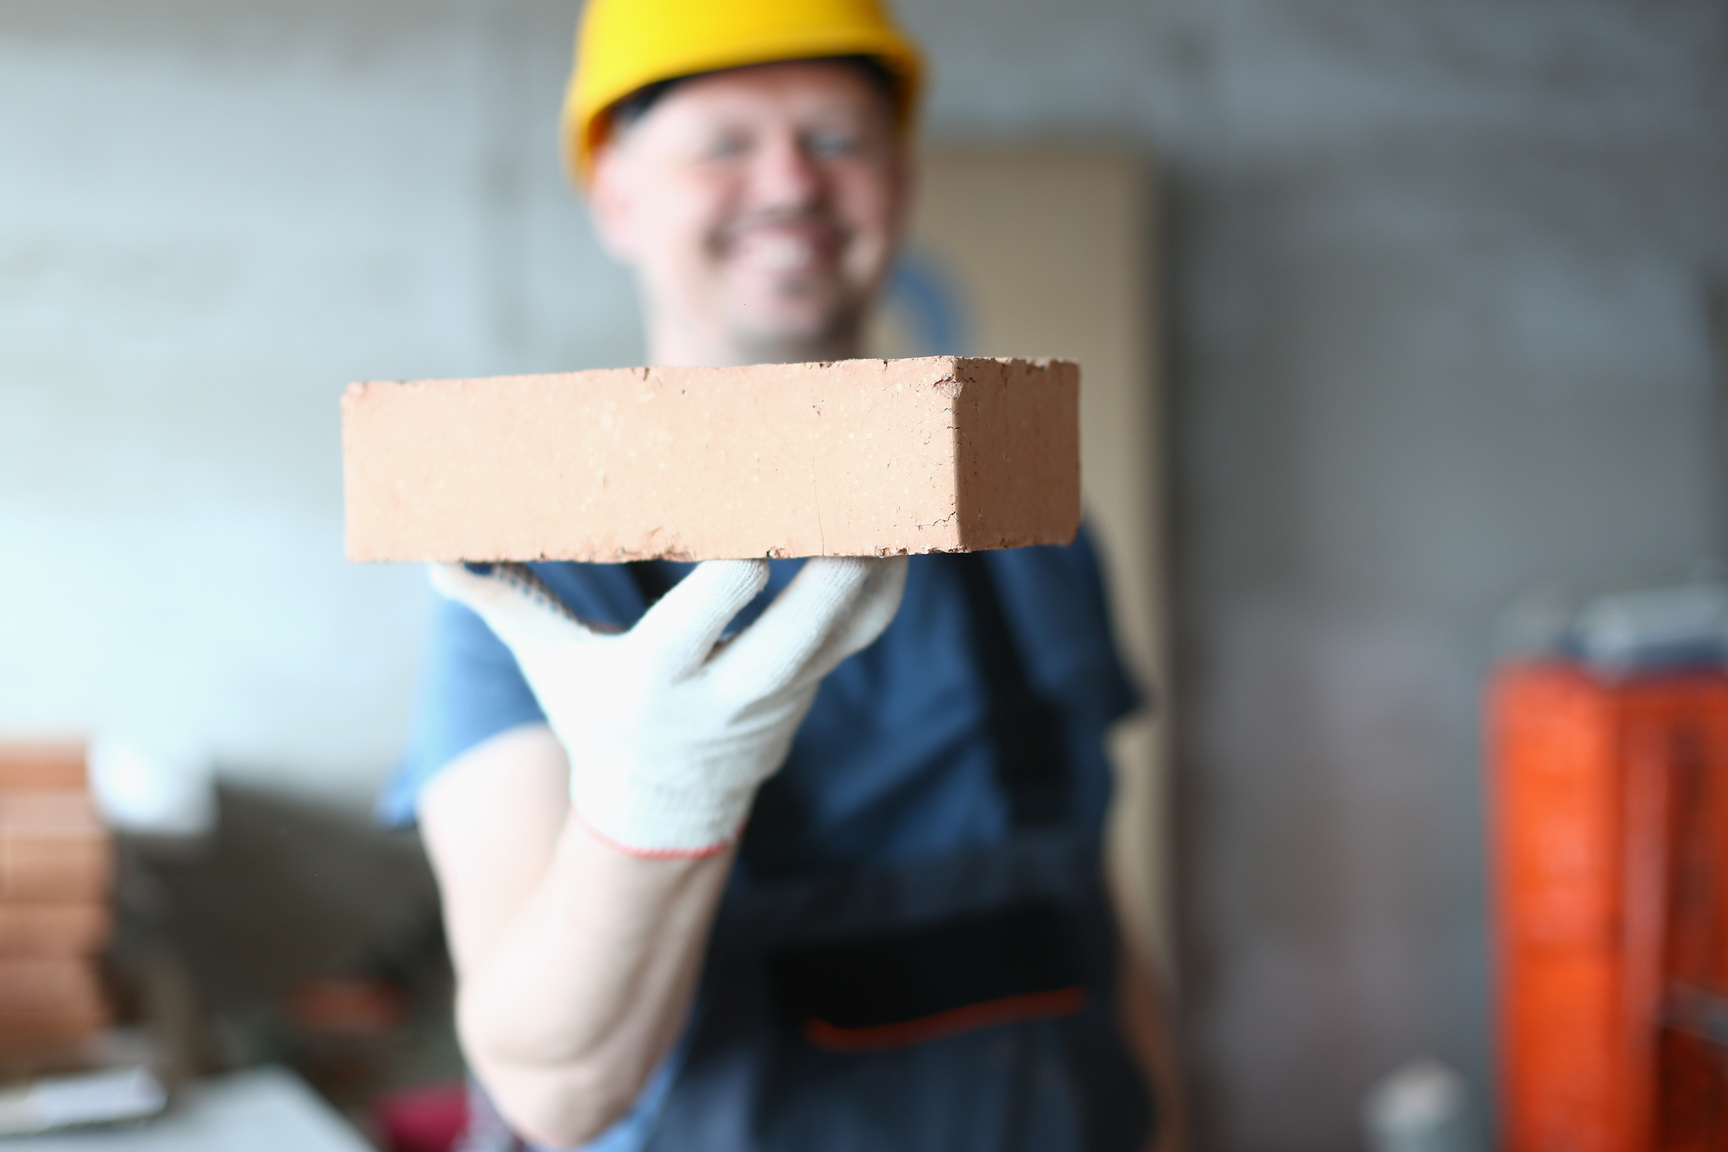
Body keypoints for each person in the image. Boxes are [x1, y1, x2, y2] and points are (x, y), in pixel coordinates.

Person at [379, 1, 1176, 1148]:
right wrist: (654, 806)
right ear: (618, 197)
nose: (791, 182)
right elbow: (553, 1095)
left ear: (897, 181)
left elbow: (1098, 911)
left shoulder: (1019, 521)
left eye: (836, 138)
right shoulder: (530, 573)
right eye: (724, 143)